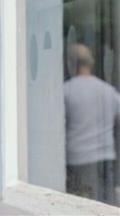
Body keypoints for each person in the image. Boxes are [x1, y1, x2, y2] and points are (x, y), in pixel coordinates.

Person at [64, 42, 120, 205]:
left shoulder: (66, 90)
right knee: (107, 206)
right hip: (106, 160)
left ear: (70, 63)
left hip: (78, 160)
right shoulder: (107, 91)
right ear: (92, 63)